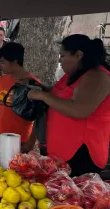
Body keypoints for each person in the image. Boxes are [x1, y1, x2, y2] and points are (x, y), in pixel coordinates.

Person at [28, 34, 110, 176]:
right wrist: (41, 88)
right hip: (60, 151)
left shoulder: (97, 76)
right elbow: (60, 94)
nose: (60, 60)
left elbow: (79, 109)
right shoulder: (74, 73)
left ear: (78, 55)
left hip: (81, 153)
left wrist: (43, 96)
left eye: (63, 55)